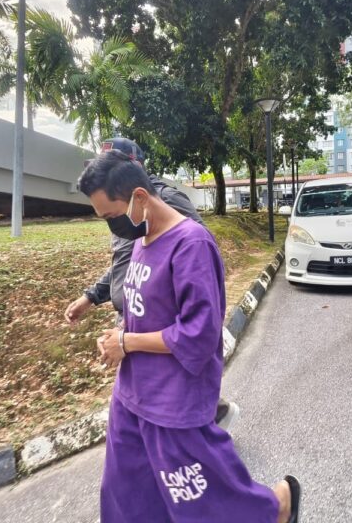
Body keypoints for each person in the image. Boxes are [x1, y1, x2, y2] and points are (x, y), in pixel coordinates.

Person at [78, 151, 301, 523]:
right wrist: (120, 334)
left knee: (202, 504)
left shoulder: (191, 244)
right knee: (126, 496)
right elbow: (147, 313)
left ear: (139, 197)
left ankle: (275, 508)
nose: (111, 227)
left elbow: (198, 333)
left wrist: (128, 343)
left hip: (172, 401)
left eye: (110, 216)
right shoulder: (142, 241)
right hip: (131, 394)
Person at [65, 138, 240, 431]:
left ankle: (207, 415)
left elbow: (196, 256)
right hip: (134, 314)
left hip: (163, 321)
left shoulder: (165, 206)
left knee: (177, 412)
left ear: (134, 167)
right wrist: (93, 297)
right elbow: (123, 263)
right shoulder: (129, 221)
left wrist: (129, 338)